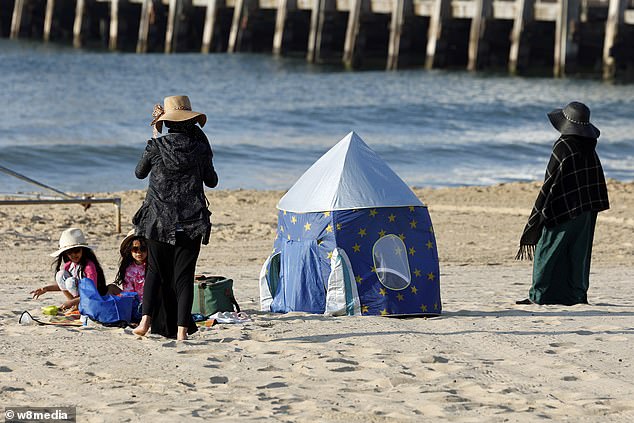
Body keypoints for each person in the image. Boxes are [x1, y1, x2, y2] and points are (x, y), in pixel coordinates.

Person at [132, 95, 218, 340]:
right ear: (191, 121)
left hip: (158, 220)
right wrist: (203, 144)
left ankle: (145, 321)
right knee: (184, 278)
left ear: (166, 122)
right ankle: (181, 332)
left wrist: (155, 139)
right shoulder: (200, 148)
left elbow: (139, 173)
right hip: (191, 222)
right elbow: (212, 181)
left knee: (154, 272)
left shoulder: (156, 146)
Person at [516, 101, 609, 305]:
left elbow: (550, 183)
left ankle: (539, 295)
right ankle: (577, 295)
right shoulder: (590, 147)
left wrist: (539, 214)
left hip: (563, 207)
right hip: (587, 208)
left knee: (547, 248)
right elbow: (595, 180)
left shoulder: (563, 145)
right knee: (579, 254)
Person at [31, 227, 108, 310]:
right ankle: (76, 306)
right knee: (60, 275)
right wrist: (46, 289)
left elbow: (92, 292)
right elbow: (65, 285)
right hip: (77, 300)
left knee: (70, 281)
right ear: (65, 254)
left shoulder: (89, 266)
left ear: (83, 250)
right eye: (69, 253)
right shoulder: (68, 266)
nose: (74, 255)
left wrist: (72, 302)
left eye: (77, 251)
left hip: (91, 299)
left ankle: (78, 305)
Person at [108, 230, 147, 303]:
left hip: (151, 304)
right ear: (130, 250)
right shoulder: (129, 270)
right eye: (135, 249)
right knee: (110, 288)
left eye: (143, 249)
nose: (139, 252)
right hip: (134, 303)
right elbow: (128, 293)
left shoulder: (152, 265)